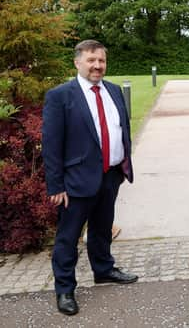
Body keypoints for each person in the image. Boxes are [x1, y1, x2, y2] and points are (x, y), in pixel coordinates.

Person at [42, 40, 137, 316]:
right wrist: (56, 184)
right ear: (77, 62)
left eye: (101, 61)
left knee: (101, 228)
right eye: (91, 60)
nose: (97, 66)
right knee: (68, 238)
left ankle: (103, 270)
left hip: (110, 175)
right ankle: (64, 289)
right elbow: (51, 144)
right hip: (75, 182)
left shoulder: (114, 91)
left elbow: (122, 129)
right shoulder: (60, 96)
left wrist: (123, 166)